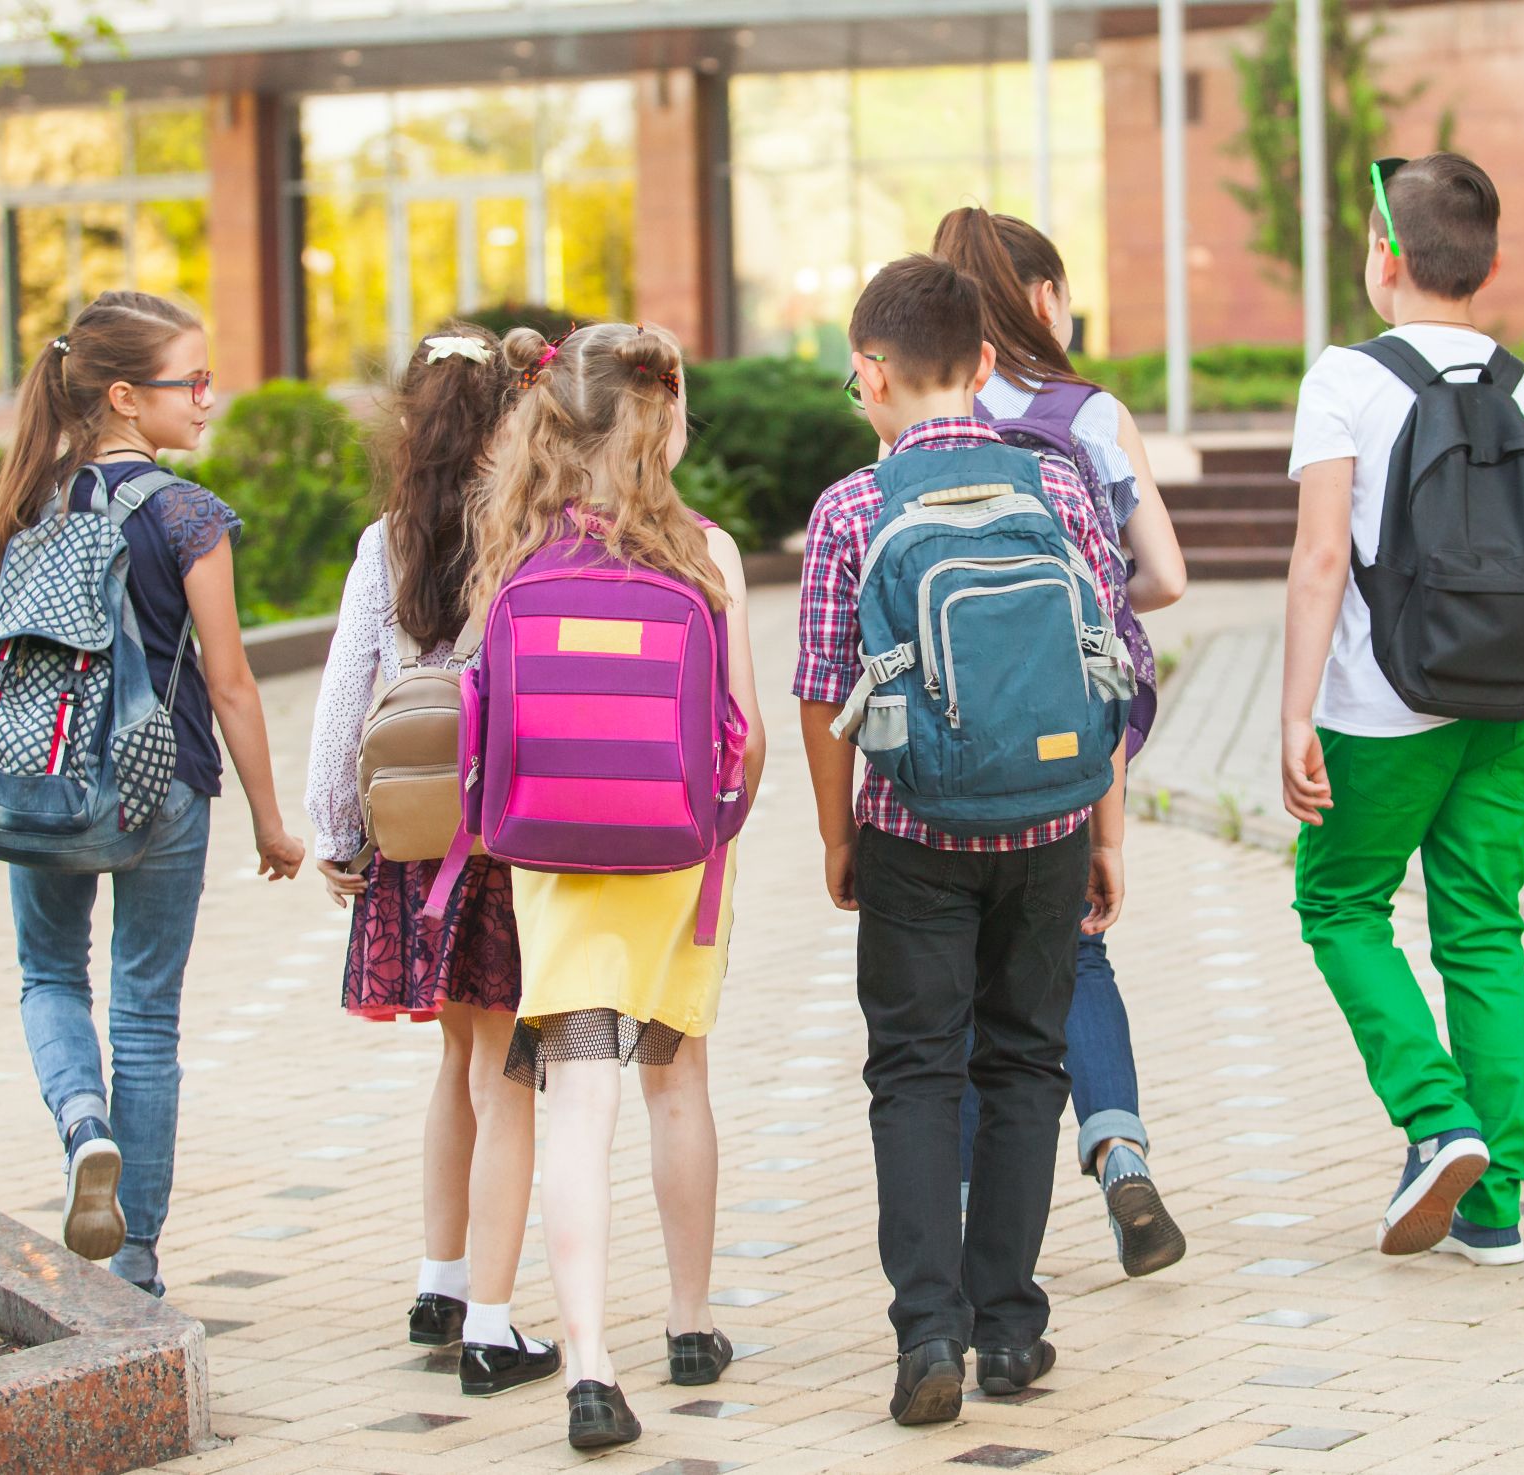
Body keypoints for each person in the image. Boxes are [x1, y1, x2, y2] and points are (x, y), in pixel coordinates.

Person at [797, 254, 1128, 1426]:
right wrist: (1106, 829)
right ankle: (1012, 1324)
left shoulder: (851, 507)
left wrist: (839, 836)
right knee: (1028, 1060)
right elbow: (1111, 667)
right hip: (1047, 817)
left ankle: (926, 1328)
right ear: (987, 365)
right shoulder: (1061, 484)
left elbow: (821, 684)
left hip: (910, 827)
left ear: (870, 373)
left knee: (916, 1069)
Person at [0, 291, 306, 1298]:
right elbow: (233, 685)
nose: (208, 399)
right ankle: (137, 1264)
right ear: (122, 396)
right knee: (147, 1016)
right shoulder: (188, 514)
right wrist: (273, 823)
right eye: (190, 382)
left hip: (45, 781)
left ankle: (82, 1125)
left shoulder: (29, 497)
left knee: (50, 975)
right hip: (164, 787)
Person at [465, 321, 764, 1450]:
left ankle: (591, 1365)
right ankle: (689, 1322)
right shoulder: (705, 552)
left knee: (576, 1103)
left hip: (555, 863)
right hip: (675, 863)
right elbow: (743, 744)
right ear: (662, 422)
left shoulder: (513, 549)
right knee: (677, 1082)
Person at [1280, 155, 1524, 1269]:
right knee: (1484, 929)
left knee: (1342, 903)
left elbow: (1320, 559)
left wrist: (1292, 715)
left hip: (1383, 699)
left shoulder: (1345, 379)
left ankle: (1434, 1113)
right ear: (1492, 266)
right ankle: (1496, 1205)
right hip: (1515, 704)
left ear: (1383, 256)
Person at [932, 205, 1189, 1278]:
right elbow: (1167, 576)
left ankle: (957, 1218)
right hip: (1071, 725)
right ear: (1044, 299)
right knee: (1073, 939)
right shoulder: (1090, 413)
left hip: (945, 725)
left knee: (952, 968)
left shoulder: (918, 407)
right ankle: (1117, 1142)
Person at [304, 323, 555, 1394]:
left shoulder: (385, 543)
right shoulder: (534, 537)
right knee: (512, 1077)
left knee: (456, 1063)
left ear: (410, 422)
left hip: (414, 837)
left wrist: (333, 830)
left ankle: (439, 1276)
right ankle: (493, 1321)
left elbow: (341, 699)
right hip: (507, 832)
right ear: (512, 422)